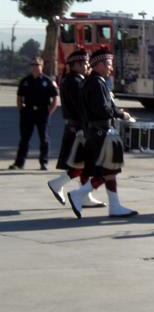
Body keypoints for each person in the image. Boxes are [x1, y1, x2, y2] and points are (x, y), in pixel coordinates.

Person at [66, 47, 137, 218]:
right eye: (109, 64)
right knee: (109, 171)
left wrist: (117, 111)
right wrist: (121, 114)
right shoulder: (96, 83)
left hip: (96, 131)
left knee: (108, 171)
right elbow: (103, 109)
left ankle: (114, 206)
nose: (111, 68)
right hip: (101, 132)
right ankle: (79, 194)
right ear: (99, 64)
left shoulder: (93, 82)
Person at [47, 49, 105, 208]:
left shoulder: (69, 80)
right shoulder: (76, 82)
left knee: (82, 165)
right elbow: (82, 108)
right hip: (79, 129)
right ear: (76, 65)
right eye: (85, 63)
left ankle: (66, 187)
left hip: (75, 128)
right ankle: (66, 187)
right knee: (86, 165)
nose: (88, 66)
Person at [9, 56, 58, 170]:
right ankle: (19, 163)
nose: (35, 67)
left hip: (42, 112)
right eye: (33, 65)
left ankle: (43, 162)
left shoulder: (47, 81)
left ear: (42, 66)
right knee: (24, 139)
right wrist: (21, 109)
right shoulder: (25, 81)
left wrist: (49, 111)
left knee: (44, 139)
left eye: (37, 65)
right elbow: (19, 97)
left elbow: (55, 98)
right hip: (28, 112)